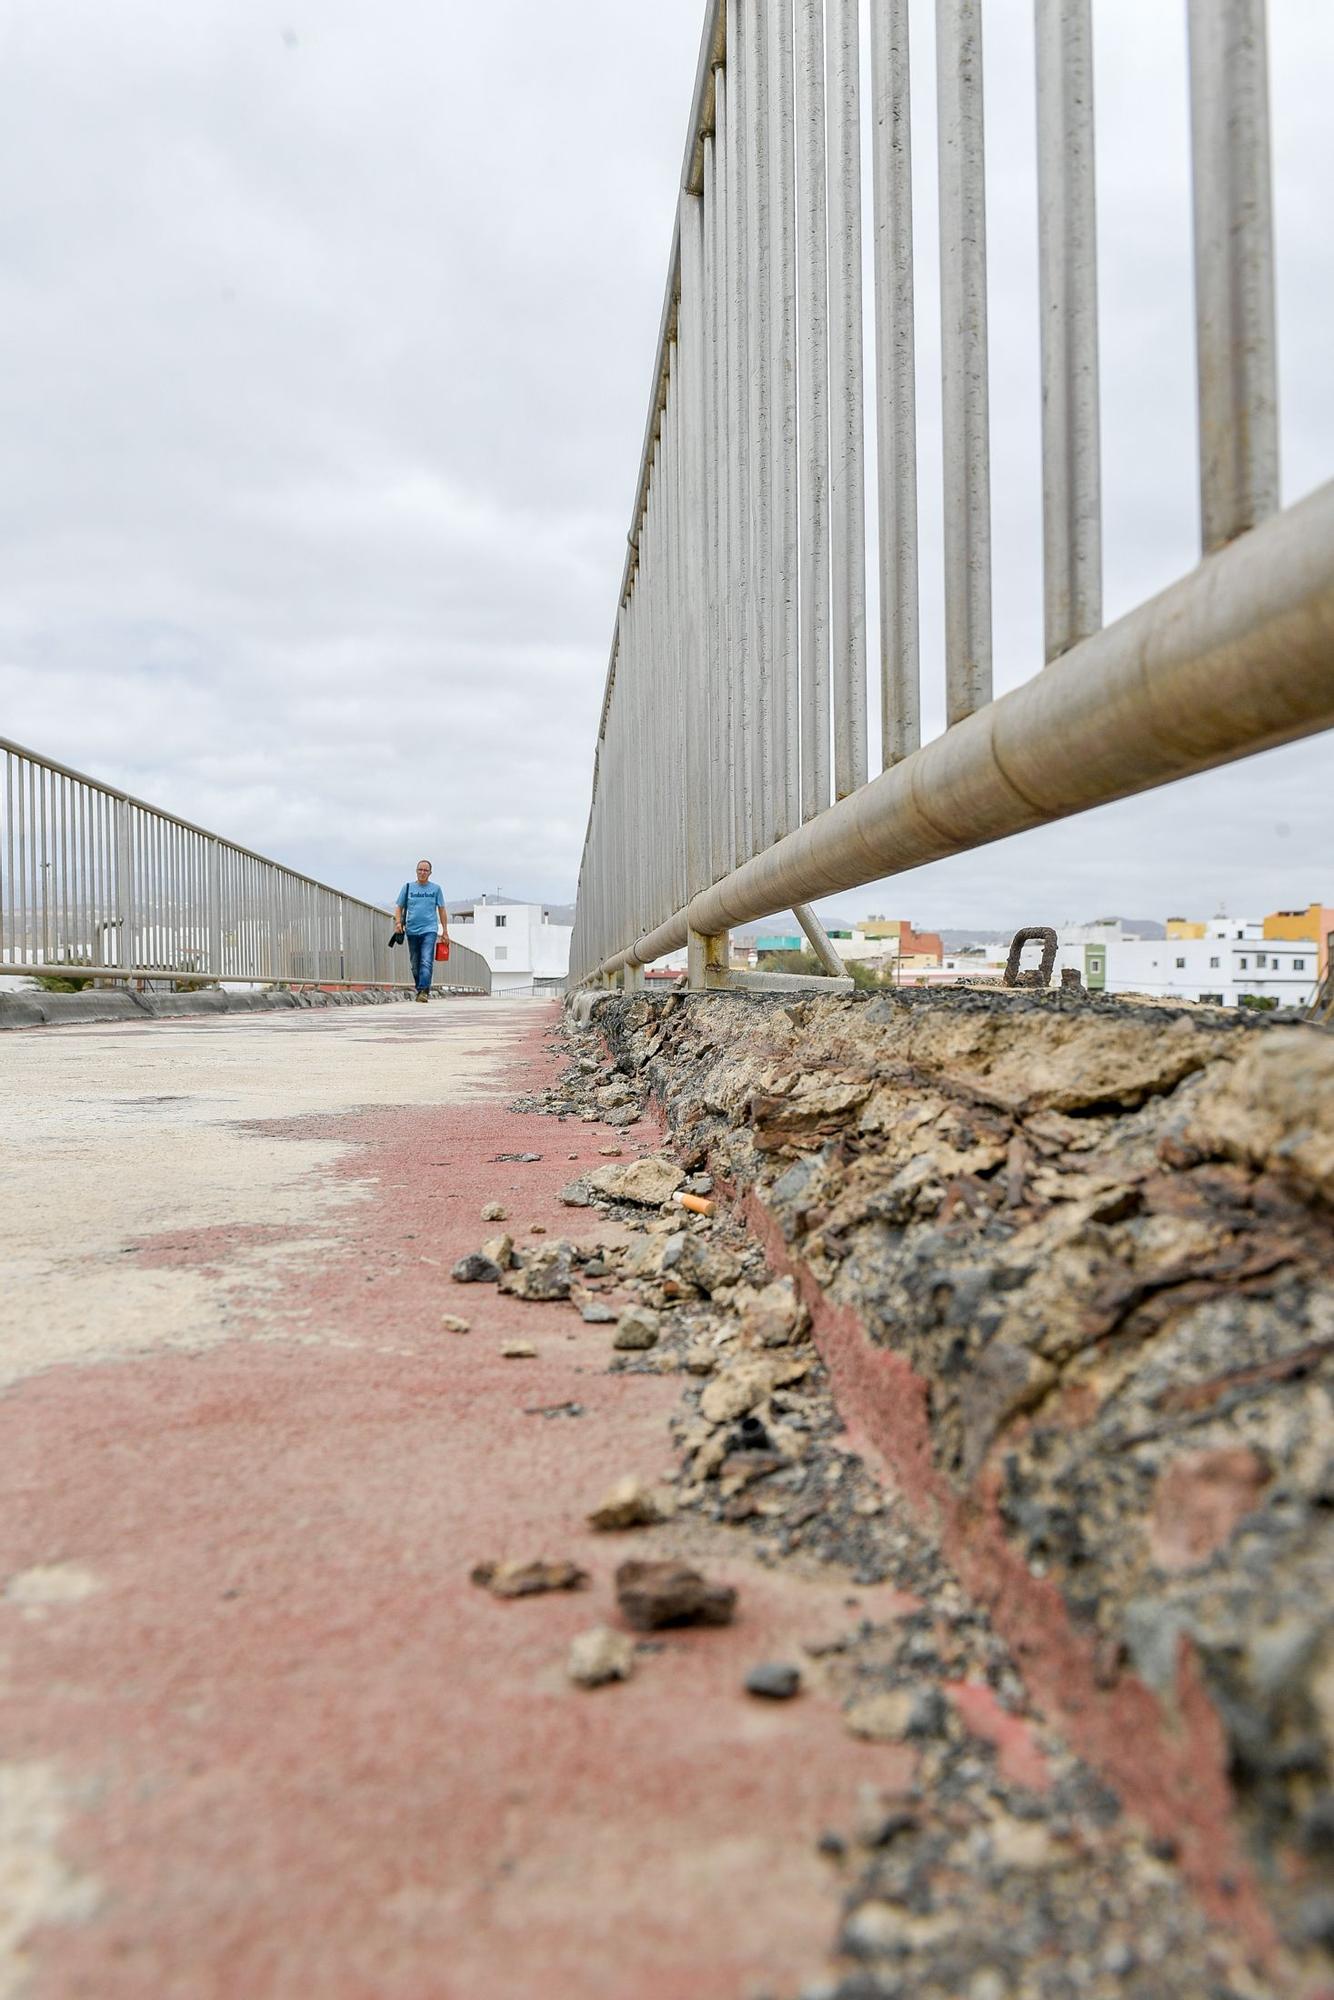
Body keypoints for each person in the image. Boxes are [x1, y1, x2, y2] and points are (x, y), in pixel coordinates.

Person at [395, 860, 450, 1002]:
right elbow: (399, 907)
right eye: (420, 870)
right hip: (412, 930)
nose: (422, 872)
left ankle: (424, 991)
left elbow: (442, 910)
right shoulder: (407, 888)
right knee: (414, 964)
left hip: (429, 930)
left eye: (425, 870)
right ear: (416, 871)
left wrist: (445, 931)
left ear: (430, 873)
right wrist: (398, 923)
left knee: (426, 960)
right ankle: (420, 989)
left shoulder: (436, 889)